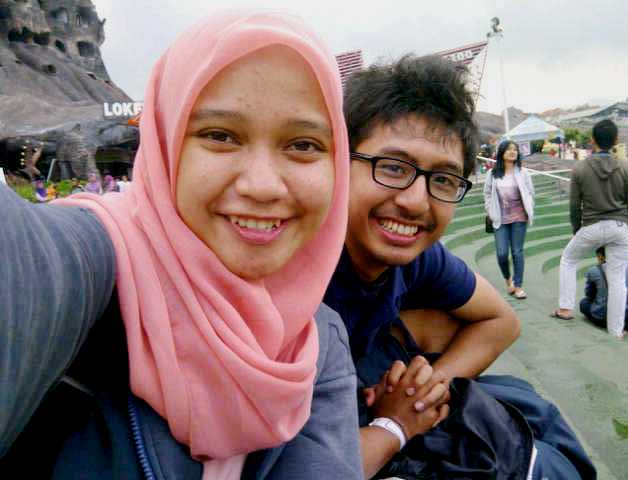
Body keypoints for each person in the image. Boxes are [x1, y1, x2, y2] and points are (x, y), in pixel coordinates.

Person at [0, 12, 363, 479]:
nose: (262, 186)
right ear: (164, 142)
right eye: (220, 136)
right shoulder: (93, 266)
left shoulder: (314, 341)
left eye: (304, 144)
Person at [324, 55, 595, 479]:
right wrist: (395, 425)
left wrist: (426, 387)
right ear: (338, 163)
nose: (416, 201)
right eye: (392, 167)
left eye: (443, 180)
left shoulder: (417, 258)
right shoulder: (292, 277)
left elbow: (501, 322)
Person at [552, 119, 628, 340]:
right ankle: (616, 331)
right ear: (616, 140)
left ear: (592, 140)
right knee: (617, 279)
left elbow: (574, 205)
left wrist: (577, 229)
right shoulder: (627, 168)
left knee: (568, 259)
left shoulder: (580, 168)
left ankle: (565, 308)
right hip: (620, 228)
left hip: (591, 226)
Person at [484, 140, 535, 299]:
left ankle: (518, 286)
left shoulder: (523, 173)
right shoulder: (492, 174)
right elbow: (487, 194)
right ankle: (508, 280)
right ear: (502, 153)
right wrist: (490, 211)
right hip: (500, 218)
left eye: (515, 149)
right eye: (508, 150)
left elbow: (530, 193)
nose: (512, 152)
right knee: (501, 253)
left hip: (519, 218)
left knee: (517, 251)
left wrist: (529, 207)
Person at [580, 247, 628, 335]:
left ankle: (619, 325)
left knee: (584, 303)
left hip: (607, 317)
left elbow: (589, 294)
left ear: (600, 256)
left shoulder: (594, 270)